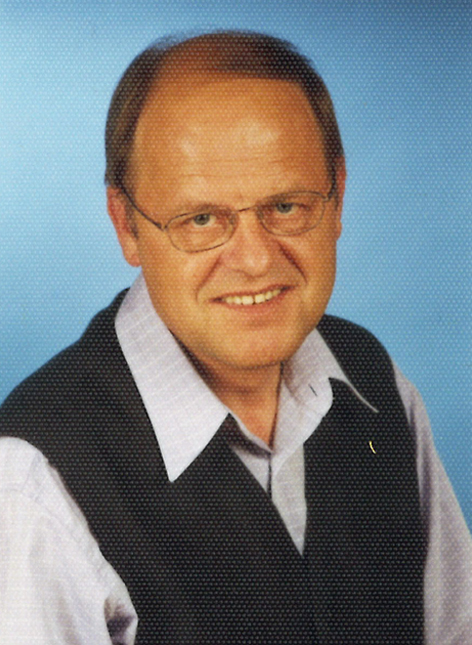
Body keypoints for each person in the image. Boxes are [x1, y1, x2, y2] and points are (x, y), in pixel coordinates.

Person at [1, 30, 471, 645]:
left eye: (287, 207)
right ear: (127, 226)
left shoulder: (379, 387)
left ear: (337, 198)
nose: (254, 260)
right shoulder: (32, 481)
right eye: (201, 219)